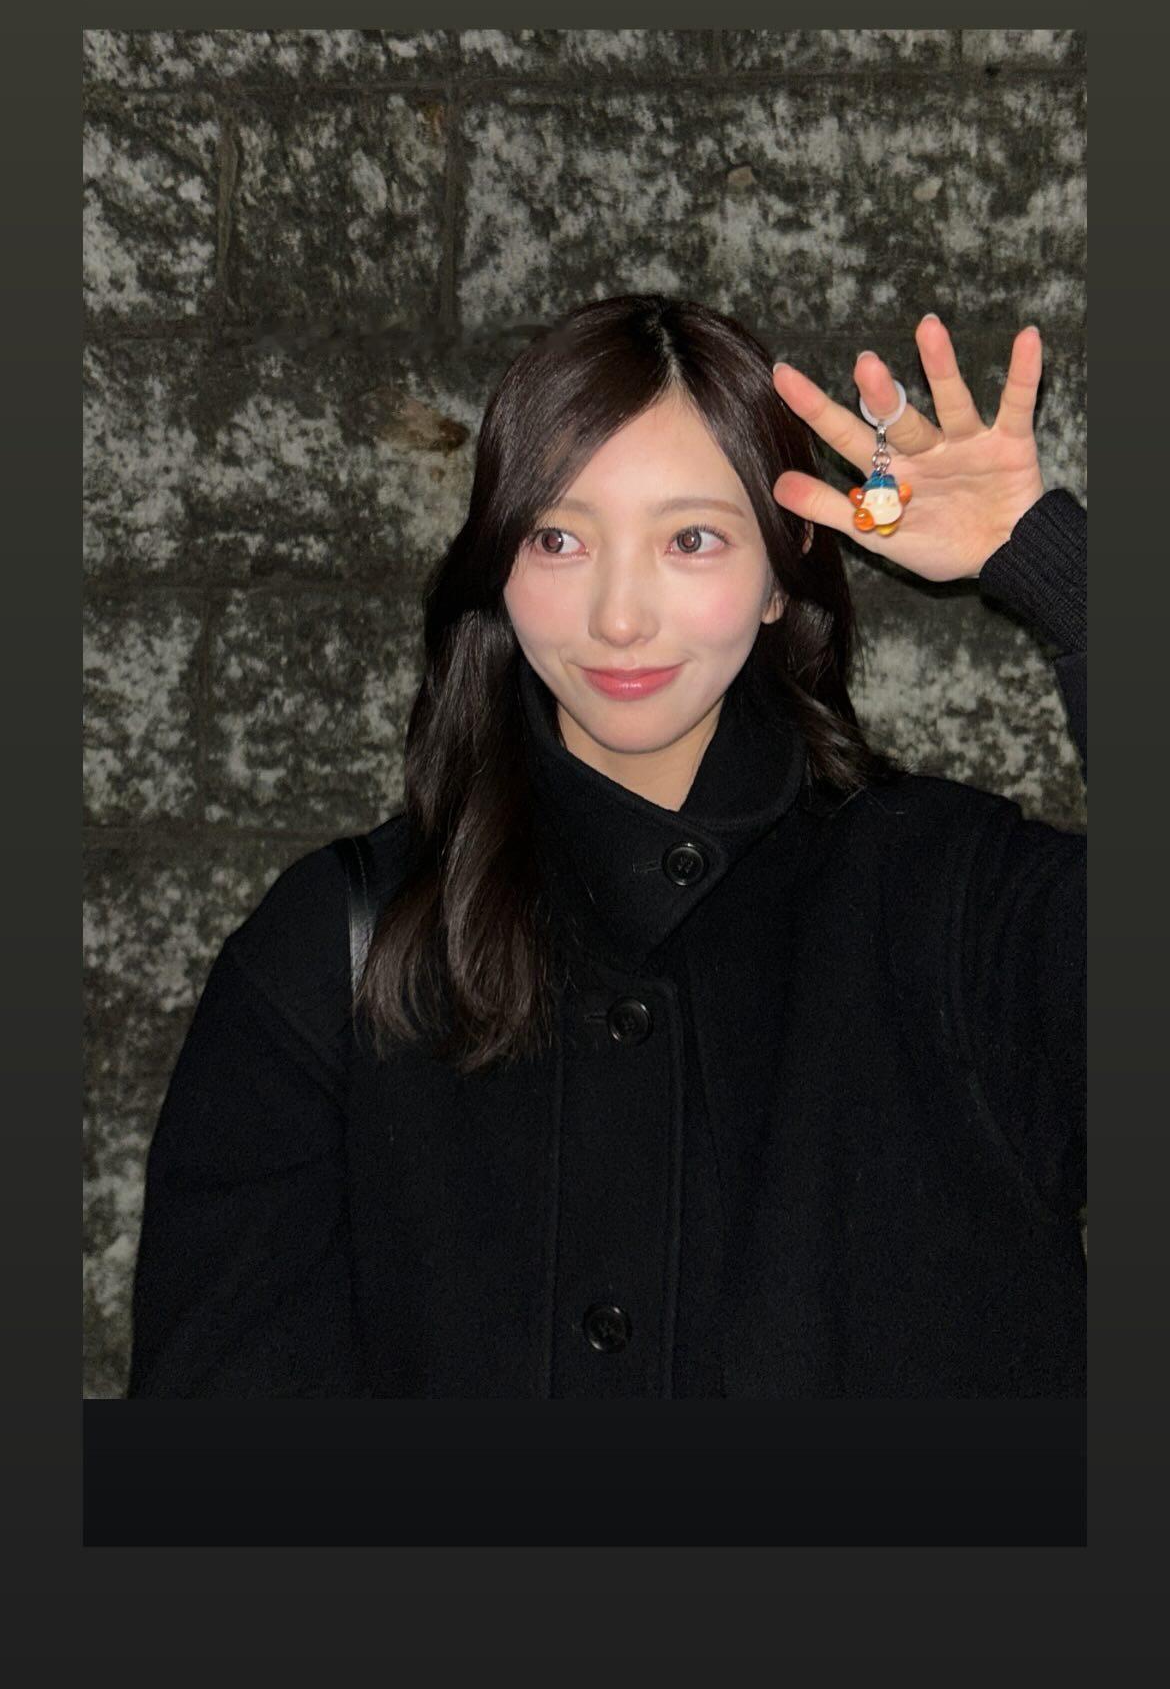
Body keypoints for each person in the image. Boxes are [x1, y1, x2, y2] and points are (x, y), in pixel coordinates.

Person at [125, 295, 1086, 1400]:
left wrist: (1067, 580)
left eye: (691, 539)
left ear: (783, 575)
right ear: (499, 562)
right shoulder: (338, 950)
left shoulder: (962, 903)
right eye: (559, 539)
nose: (619, 618)